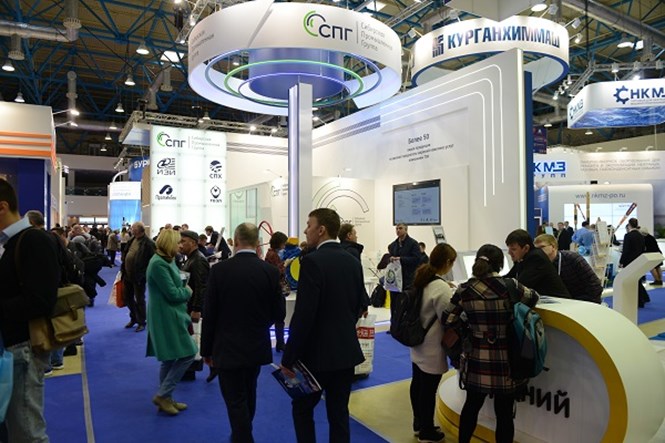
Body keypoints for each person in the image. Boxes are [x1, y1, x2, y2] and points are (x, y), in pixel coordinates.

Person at [281, 208, 367, 443]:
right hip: (346, 353)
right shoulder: (353, 261)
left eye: (309, 225)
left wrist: (289, 357)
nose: (305, 230)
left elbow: (304, 315)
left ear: (321, 230)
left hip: (316, 356)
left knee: (302, 408)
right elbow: (359, 305)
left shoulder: (312, 262)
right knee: (339, 413)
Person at [445, 244, 539, 443]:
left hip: (476, 358)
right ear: (500, 264)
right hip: (506, 360)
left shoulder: (465, 289)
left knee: (471, 406)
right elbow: (533, 298)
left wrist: (470, 328)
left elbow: (449, 319)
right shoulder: (511, 285)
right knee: (504, 414)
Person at [202, 223, 283, 443]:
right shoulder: (270, 271)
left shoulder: (219, 271)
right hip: (256, 345)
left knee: (235, 399)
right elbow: (279, 313)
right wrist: (259, 325)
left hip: (226, 347)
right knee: (249, 392)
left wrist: (206, 350)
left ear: (236, 241)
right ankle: (243, 434)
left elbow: (210, 314)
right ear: (257, 242)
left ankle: (242, 437)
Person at [0, 178, 59, 441]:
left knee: (26, 431)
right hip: (9, 346)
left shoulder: (34, 240)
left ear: (2, 207)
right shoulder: (9, 243)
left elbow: (41, 301)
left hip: (22, 347)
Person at [146, 229, 197, 416]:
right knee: (189, 354)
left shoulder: (167, 261)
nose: (180, 246)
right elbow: (173, 293)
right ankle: (163, 395)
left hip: (170, 314)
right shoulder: (159, 264)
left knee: (169, 359)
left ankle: (166, 398)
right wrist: (188, 291)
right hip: (166, 316)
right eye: (178, 242)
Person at [409, 243, 457, 443]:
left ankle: (419, 423)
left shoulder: (422, 278)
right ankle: (427, 430)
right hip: (432, 345)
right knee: (428, 390)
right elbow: (448, 317)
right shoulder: (440, 287)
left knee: (418, 384)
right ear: (447, 262)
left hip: (418, 341)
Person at [178, 230, 210, 381]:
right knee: (189, 338)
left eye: (183, 241)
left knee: (193, 338)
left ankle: (191, 369)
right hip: (188, 305)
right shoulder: (191, 258)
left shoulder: (198, 260)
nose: (180, 245)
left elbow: (201, 286)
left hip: (193, 307)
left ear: (193, 242)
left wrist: (197, 309)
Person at [534, 234, 603, 303]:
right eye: (536, 249)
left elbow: (595, 285)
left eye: (541, 247)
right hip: (557, 304)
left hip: (582, 302)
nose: (538, 251)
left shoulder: (572, 258)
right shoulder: (538, 265)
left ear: (553, 247)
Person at [504, 229, 570, 298]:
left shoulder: (536, 258)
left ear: (526, 248)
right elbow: (509, 277)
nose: (509, 252)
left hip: (558, 301)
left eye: (513, 249)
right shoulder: (523, 258)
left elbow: (520, 286)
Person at [121, 221, 155, 332]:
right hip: (127, 274)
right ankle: (134, 317)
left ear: (139, 230)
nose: (131, 230)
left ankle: (141, 322)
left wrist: (144, 274)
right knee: (127, 298)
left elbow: (152, 261)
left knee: (140, 299)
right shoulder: (132, 240)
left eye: (133, 229)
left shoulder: (149, 243)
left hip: (139, 276)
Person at [388, 223, 423, 320]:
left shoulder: (413, 244)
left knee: (405, 303)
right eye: (396, 228)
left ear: (406, 230)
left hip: (407, 279)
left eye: (400, 228)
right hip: (395, 279)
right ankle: (394, 323)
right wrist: (390, 259)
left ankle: (404, 324)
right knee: (394, 303)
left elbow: (417, 259)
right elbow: (388, 258)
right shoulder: (393, 245)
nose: (398, 230)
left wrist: (401, 259)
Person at [264, 231, 289, 352]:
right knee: (278, 317)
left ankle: (280, 343)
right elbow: (275, 272)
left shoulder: (272, 254)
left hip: (274, 290)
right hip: (276, 291)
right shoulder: (273, 255)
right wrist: (285, 265)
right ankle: (280, 343)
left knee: (278, 318)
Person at [620, 218, 649, 307]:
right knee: (636, 280)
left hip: (629, 261)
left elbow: (625, 251)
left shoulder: (628, 236)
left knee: (631, 281)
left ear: (629, 225)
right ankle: (643, 298)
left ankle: (639, 300)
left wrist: (621, 261)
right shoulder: (640, 236)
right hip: (639, 260)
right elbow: (643, 249)